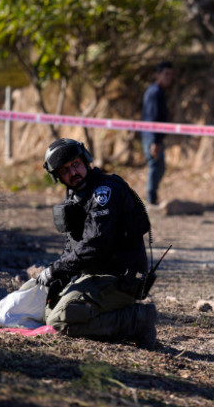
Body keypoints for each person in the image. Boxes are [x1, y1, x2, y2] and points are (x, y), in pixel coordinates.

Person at [39, 138, 157, 348]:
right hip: (96, 276)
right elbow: (75, 244)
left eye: (75, 165)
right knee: (48, 308)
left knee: (58, 322)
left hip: (121, 279)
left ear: (85, 161)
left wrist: (55, 270)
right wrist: (61, 276)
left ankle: (137, 320)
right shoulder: (78, 195)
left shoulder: (104, 193)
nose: (73, 173)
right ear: (58, 177)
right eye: (65, 170)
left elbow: (95, 244)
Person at [141, 61, 174, 205]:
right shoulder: (155, 92)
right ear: (158, 75)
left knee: (159, 166)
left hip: (153, 136)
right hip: (151, 136)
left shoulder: (158, 91)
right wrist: (155, 141)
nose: (169, 77)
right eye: (166, 74)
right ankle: (151, 198)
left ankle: (151, 197)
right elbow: (153, 117)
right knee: (156, 165)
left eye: (170, 74)